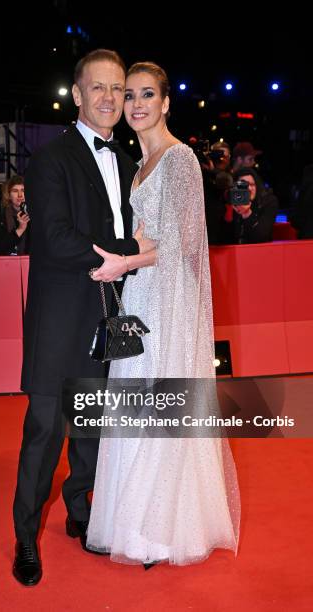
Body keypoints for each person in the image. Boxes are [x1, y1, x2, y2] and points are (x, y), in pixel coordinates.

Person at [86, 62, 240, 566]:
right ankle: (132, 524)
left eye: (147, 94)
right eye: (129, 95)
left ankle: (163, 531)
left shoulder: (180, 159)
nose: (136, 104)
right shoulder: (140, 162)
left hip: (169, 301)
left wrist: (126, 261)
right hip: (141, 295)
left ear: (167, 102)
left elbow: (185, 244)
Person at [13, 49, 152, 586]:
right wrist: (125, 252)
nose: (110, 98)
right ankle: (25, 537)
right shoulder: (51, 159)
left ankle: (80, 512)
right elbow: (54, 238)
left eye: (118, 89)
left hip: (108, 318)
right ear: (77, 94)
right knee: (44, 432)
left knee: (91, 428)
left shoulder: (125, 159)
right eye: (98, 88)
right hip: (60, 321)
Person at [224, 167, 278, 244]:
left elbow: (261, 237)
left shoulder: (268, 202)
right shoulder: (231, 203)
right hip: (234, 252)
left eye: (252, 185)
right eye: (243, 185)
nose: (249, 188)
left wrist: (247, 213)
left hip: (259, 252)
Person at [0, 175, 30, 255]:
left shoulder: (36, 216)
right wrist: (20, 229)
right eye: (15, 191)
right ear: (8, 195)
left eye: (23, 190)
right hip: (7, 263)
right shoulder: (0, 217)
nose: (20, 195)